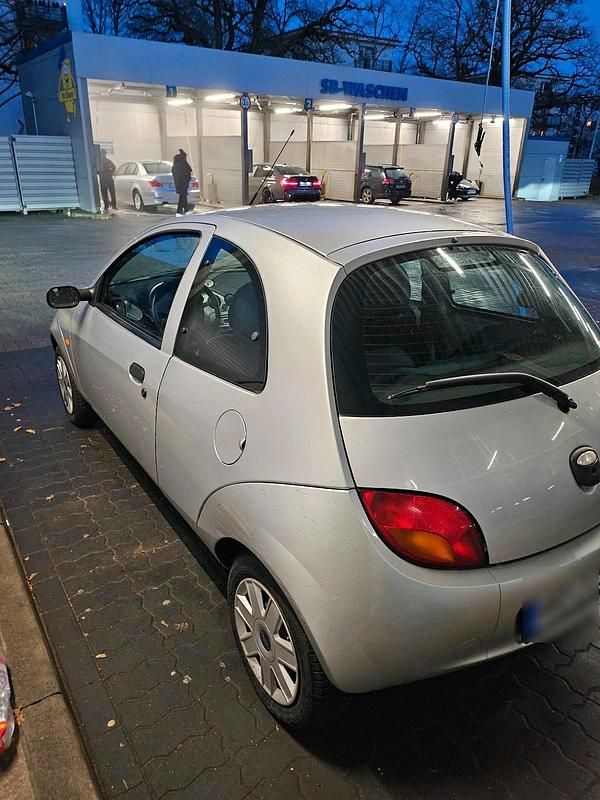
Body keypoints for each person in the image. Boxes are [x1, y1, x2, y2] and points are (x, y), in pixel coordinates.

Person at [172, 149, 192, 216]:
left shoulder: (176, 165)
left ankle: (179, 211)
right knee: (183, 196)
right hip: (183, 183)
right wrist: (187, 179)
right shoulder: (182, 165)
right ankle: (184, 210)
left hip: (180, 183)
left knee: (182, 196)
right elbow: (187, 172)